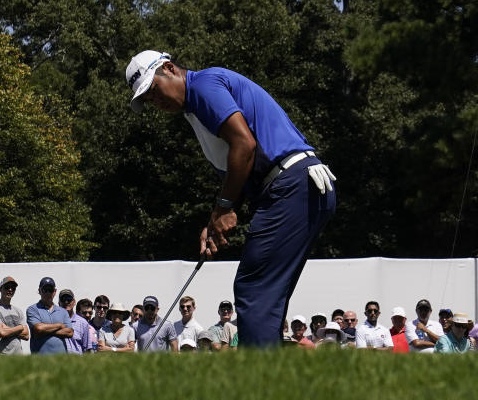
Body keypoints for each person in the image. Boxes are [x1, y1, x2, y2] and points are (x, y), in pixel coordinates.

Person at [126, 51, 337, 347]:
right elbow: (240, 168)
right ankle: (274, 381)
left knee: (254, 288)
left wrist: (224, 208)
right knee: (267, 294)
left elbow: (244, 144)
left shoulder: (203, 86)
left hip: (291, 185)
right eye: (147, 99)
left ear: (169, 68)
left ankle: (259, 383)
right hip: (299, 185)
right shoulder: (195, 109)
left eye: (153, 90)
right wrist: (216, 219)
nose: (154, 101)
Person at [26, 276, 73, 355]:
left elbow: (70, 332)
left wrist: (45, 331)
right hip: (40, 359)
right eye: (45, 290)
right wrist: (60, 325)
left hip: (61, 359)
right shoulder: (33, 309)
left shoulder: (63, 311)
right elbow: (38, 329)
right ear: (39, 291)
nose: (48, 293)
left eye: (50, 290)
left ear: (54, 291)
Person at [0, 276, 29, 355]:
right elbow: (1, 333)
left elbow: (27, 335)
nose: (10, 290)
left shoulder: (18, 311)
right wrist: (20, 327)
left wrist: (6, 328)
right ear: (0, 289)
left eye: (13, 288)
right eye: (7, 287)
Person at [59, 288, 94, 354]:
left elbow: (87, 349)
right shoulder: (54, 321)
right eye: (63, 300)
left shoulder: (83, 323)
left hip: (77, 362)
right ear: (59, 303)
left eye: (69, 299)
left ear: (74, 302)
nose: (66, 302)